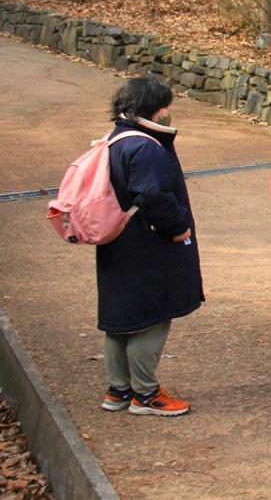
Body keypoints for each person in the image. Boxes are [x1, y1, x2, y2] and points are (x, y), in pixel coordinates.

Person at [98, 77, 203, 416]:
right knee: (151, 317)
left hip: (118, 240)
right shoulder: (145, 147)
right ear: (157, 110)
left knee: (121, 318)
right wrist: (178, 227)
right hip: (147, 243)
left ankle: (119, 389)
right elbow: (154, 195)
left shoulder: (116, 139)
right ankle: (145, 393)